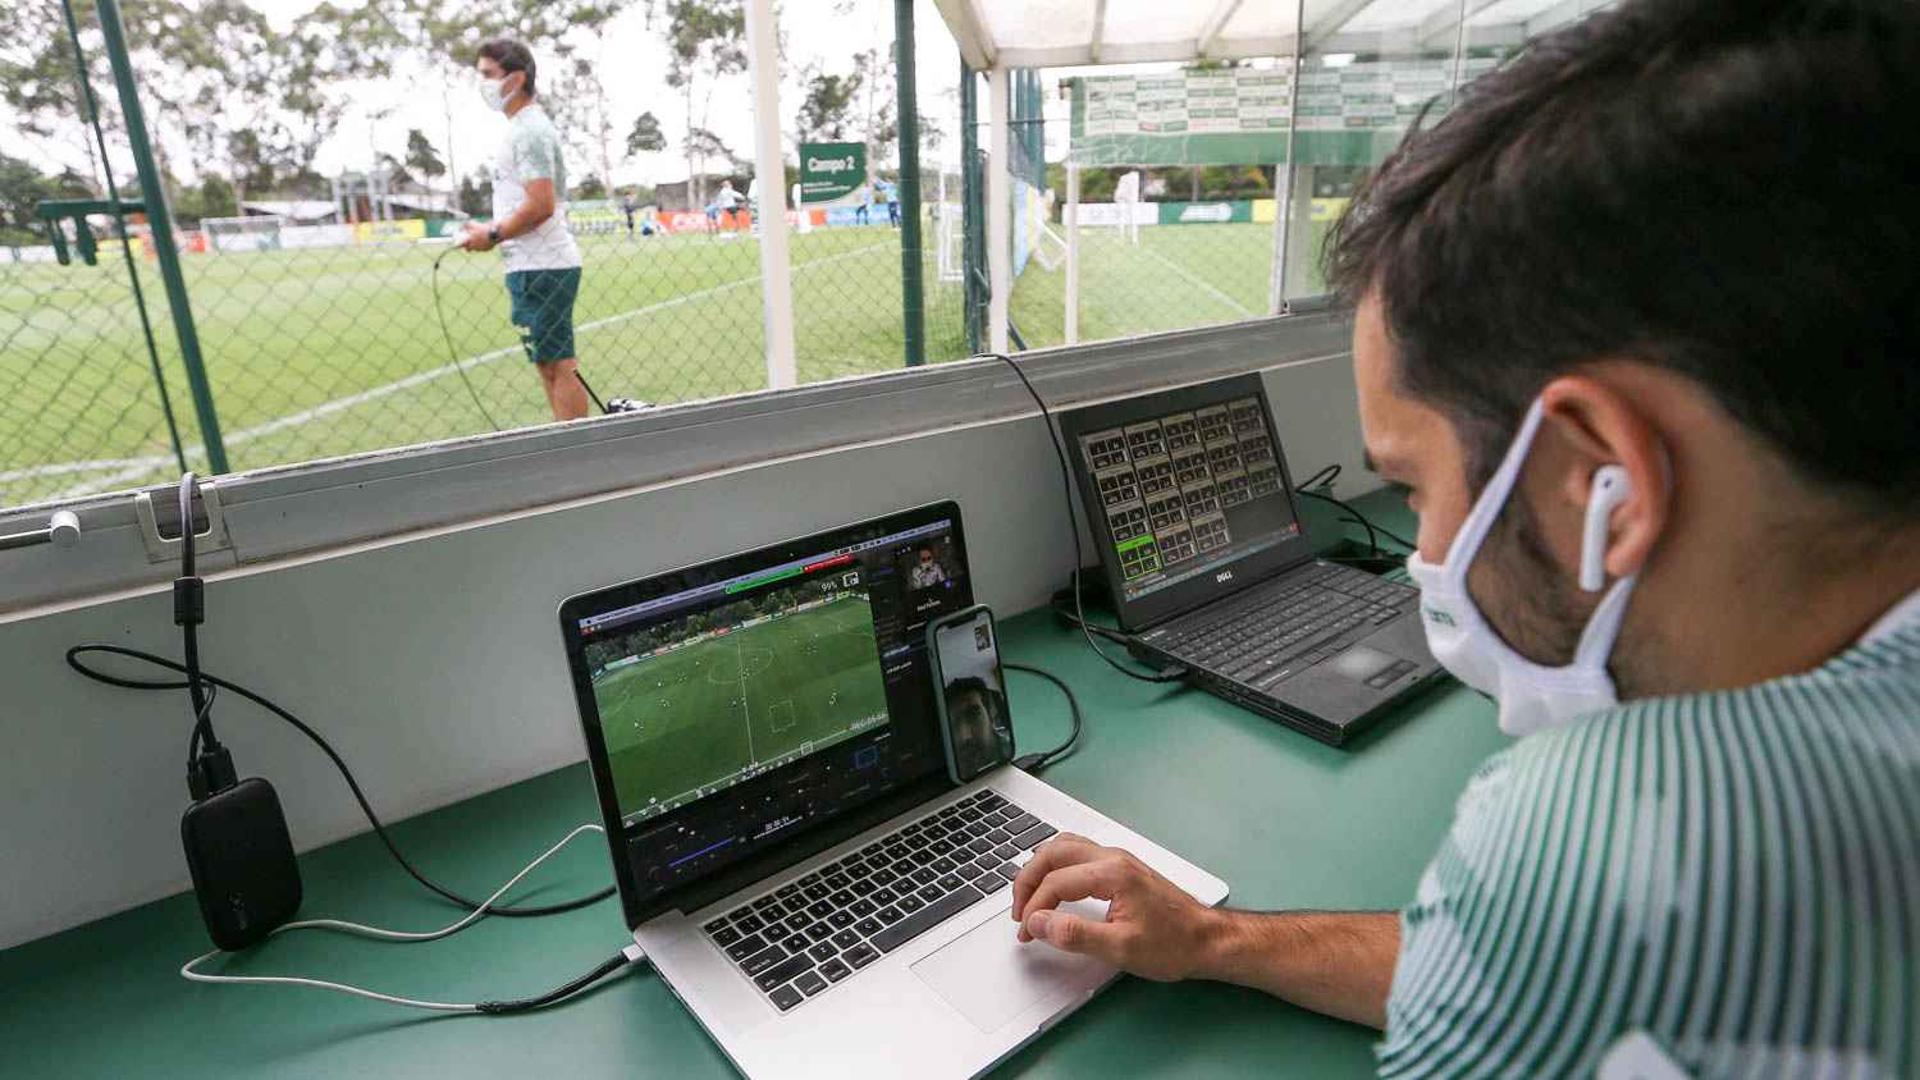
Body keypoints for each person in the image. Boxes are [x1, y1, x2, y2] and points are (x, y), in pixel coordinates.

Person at [1007, 2, 1920, 1075]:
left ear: (1600, 480)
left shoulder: (1609, 839)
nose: (1418, 550)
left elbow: (1560, 927)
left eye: (1416, 483)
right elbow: (1519, 960)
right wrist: (1216, 940)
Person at [460, 38, 591, 422]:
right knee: (548, 364)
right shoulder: (522, 127)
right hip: (531, 265)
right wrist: (490, 228)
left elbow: (540, 203)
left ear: (515, 79)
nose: (481, 83)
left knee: (558, 364)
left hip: (544, 266)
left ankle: (576, 454)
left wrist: (493, 234)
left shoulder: (529, 130)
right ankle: (568, 446)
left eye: (487, 74)